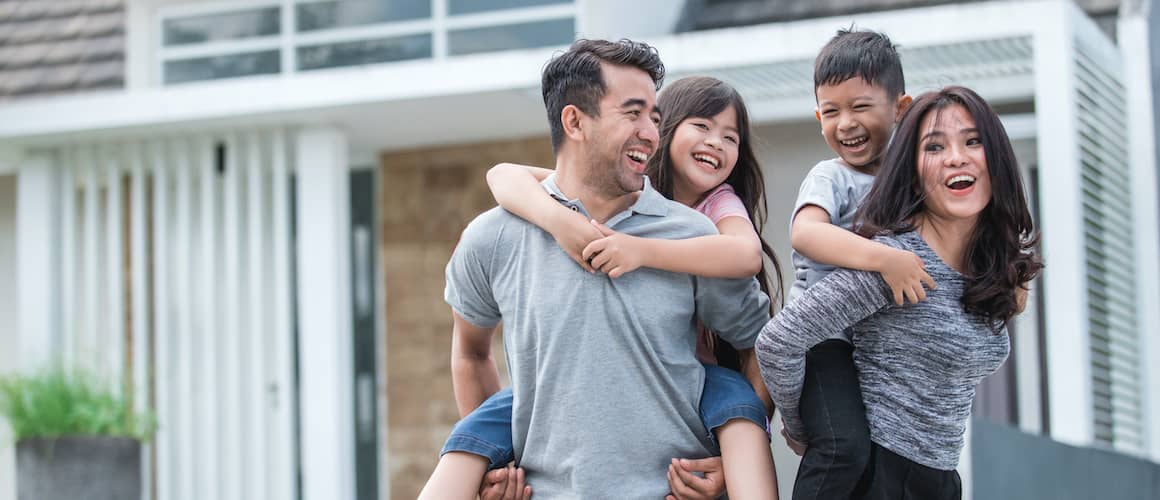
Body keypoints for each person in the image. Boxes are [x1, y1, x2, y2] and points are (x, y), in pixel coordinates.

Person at [419, 39, 773, 499]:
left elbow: (761, 348)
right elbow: (470, 354)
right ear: (574, 121)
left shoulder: (694, 235)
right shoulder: (494, 237)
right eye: (633, 113)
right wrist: (498, 464)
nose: (650, 132)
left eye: (655, 117)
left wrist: (733, 458)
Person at [757, 85, 1043, 500]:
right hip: (872, 477)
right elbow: (779, 341)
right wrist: (807, 430)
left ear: (995, 158)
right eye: (934, 147)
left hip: (940, 478)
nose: (956, 157)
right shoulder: (893, 263)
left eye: (972, 141)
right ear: (912, 170)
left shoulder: (993, 273)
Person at [784, 28, 930, 500]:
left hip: (876, 349)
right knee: (843, 447)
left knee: (878, 462)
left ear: (901, 109)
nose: (845, 123)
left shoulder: (911, 181)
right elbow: (806, 233)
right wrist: (884, 260)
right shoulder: (832, 176)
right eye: (831, 112)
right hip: (823, 341)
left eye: (860, 106)